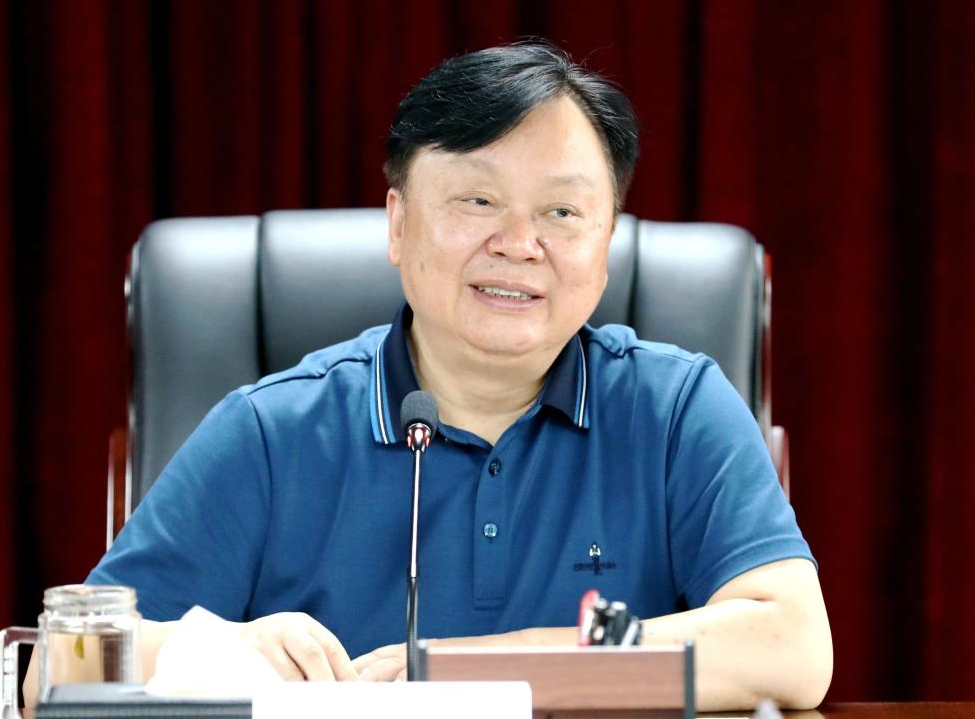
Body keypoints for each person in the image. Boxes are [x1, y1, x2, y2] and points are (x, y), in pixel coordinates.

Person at [71, 43, 831, 709]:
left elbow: (793, 648)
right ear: (399, 224)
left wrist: (477, 670)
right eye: (478, 200)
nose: (519, 243)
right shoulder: (272, 431)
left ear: (605, 244)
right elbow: (65, 662)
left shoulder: (677, 410)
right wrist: (222, 650)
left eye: (563, 212)